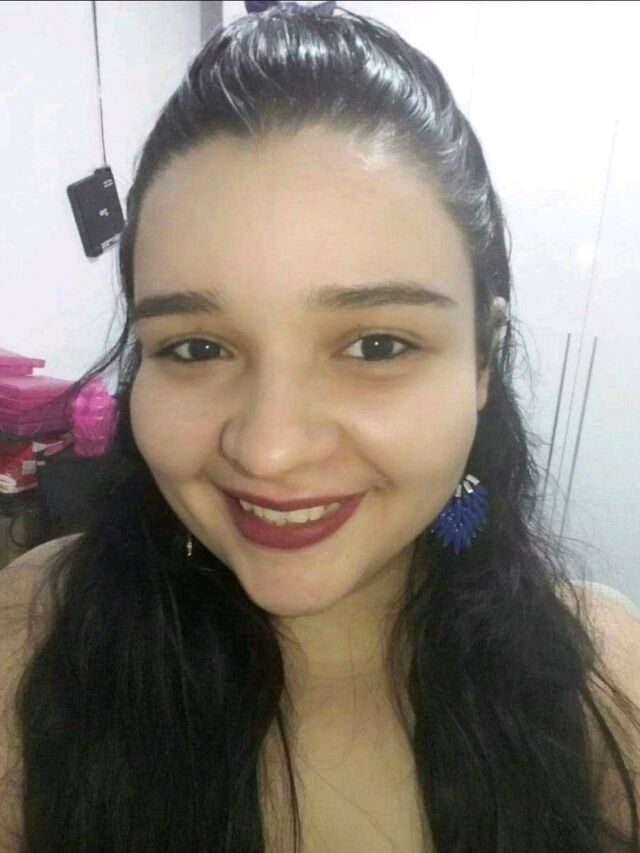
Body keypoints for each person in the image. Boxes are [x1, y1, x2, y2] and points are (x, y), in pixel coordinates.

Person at [1, 3, 639, 851]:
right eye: (196, 346)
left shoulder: (602, 682)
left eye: (376, 345)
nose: (269, 449)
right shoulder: (34, 639)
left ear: (483, 360)